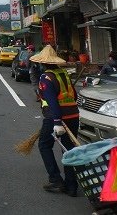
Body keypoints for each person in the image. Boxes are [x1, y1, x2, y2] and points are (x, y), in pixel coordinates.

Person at [29, 45, 79, 197]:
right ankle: (71, 186)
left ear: (43, 63)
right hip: (73, 115)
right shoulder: (63, 73)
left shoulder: (46, 77)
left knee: (44, 145)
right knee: (68, 149)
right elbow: (74, 96)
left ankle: (56, 180)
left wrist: (57, 121)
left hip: (55, 117)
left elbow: (51, 101)